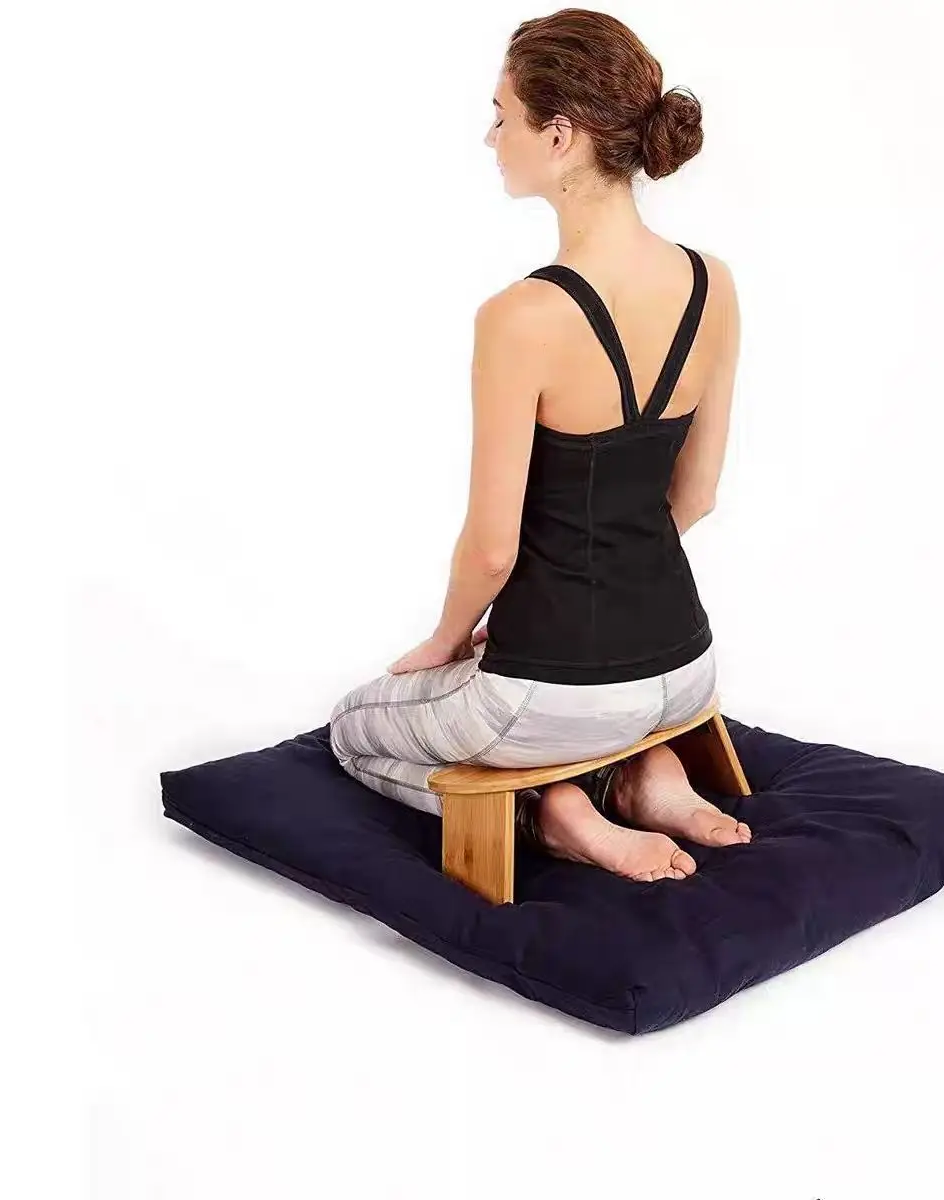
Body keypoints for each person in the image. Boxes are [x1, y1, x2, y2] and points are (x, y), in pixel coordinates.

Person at [328, 7, 751, 883]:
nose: (491, 138)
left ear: (558, 135)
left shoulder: (521, 317)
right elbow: (697, 495)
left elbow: (492, 549)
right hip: (687, 669)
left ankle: (552, 815)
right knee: (603, 709)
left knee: (352, 729)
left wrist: (446, 641)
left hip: (549, 697)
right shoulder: (712, 282)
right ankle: (648, 772)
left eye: (502, 116)